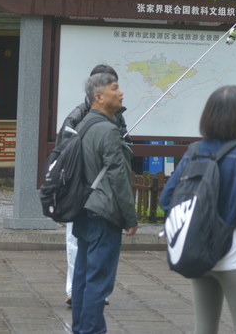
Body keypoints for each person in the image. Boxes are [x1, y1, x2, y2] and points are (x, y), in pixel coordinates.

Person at [159, 85, 236, 334]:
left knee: (204, 327)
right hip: (233, 249)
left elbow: (167, 199)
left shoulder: (194, 152)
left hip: (197, 247)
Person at [70, 72, 138, 334]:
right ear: (98, 97)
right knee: (99, 280)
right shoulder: (108, 130)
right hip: (103, 212)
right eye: (115, 88)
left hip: (84, 209)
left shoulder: (84, 124)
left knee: (83, 277)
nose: (120, 93)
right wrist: (130, 218)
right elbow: (119, 178)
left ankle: (81, 328)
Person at [57, 64, 126, 307]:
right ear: (98, 92)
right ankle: (74, 291)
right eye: (113, 87)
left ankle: (90, 294)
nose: (119, 92)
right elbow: (64, 154)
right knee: (75, 244)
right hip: (79, 192)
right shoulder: (77, 116)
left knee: (92, 250)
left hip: (101, 196)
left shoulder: (117, 117)